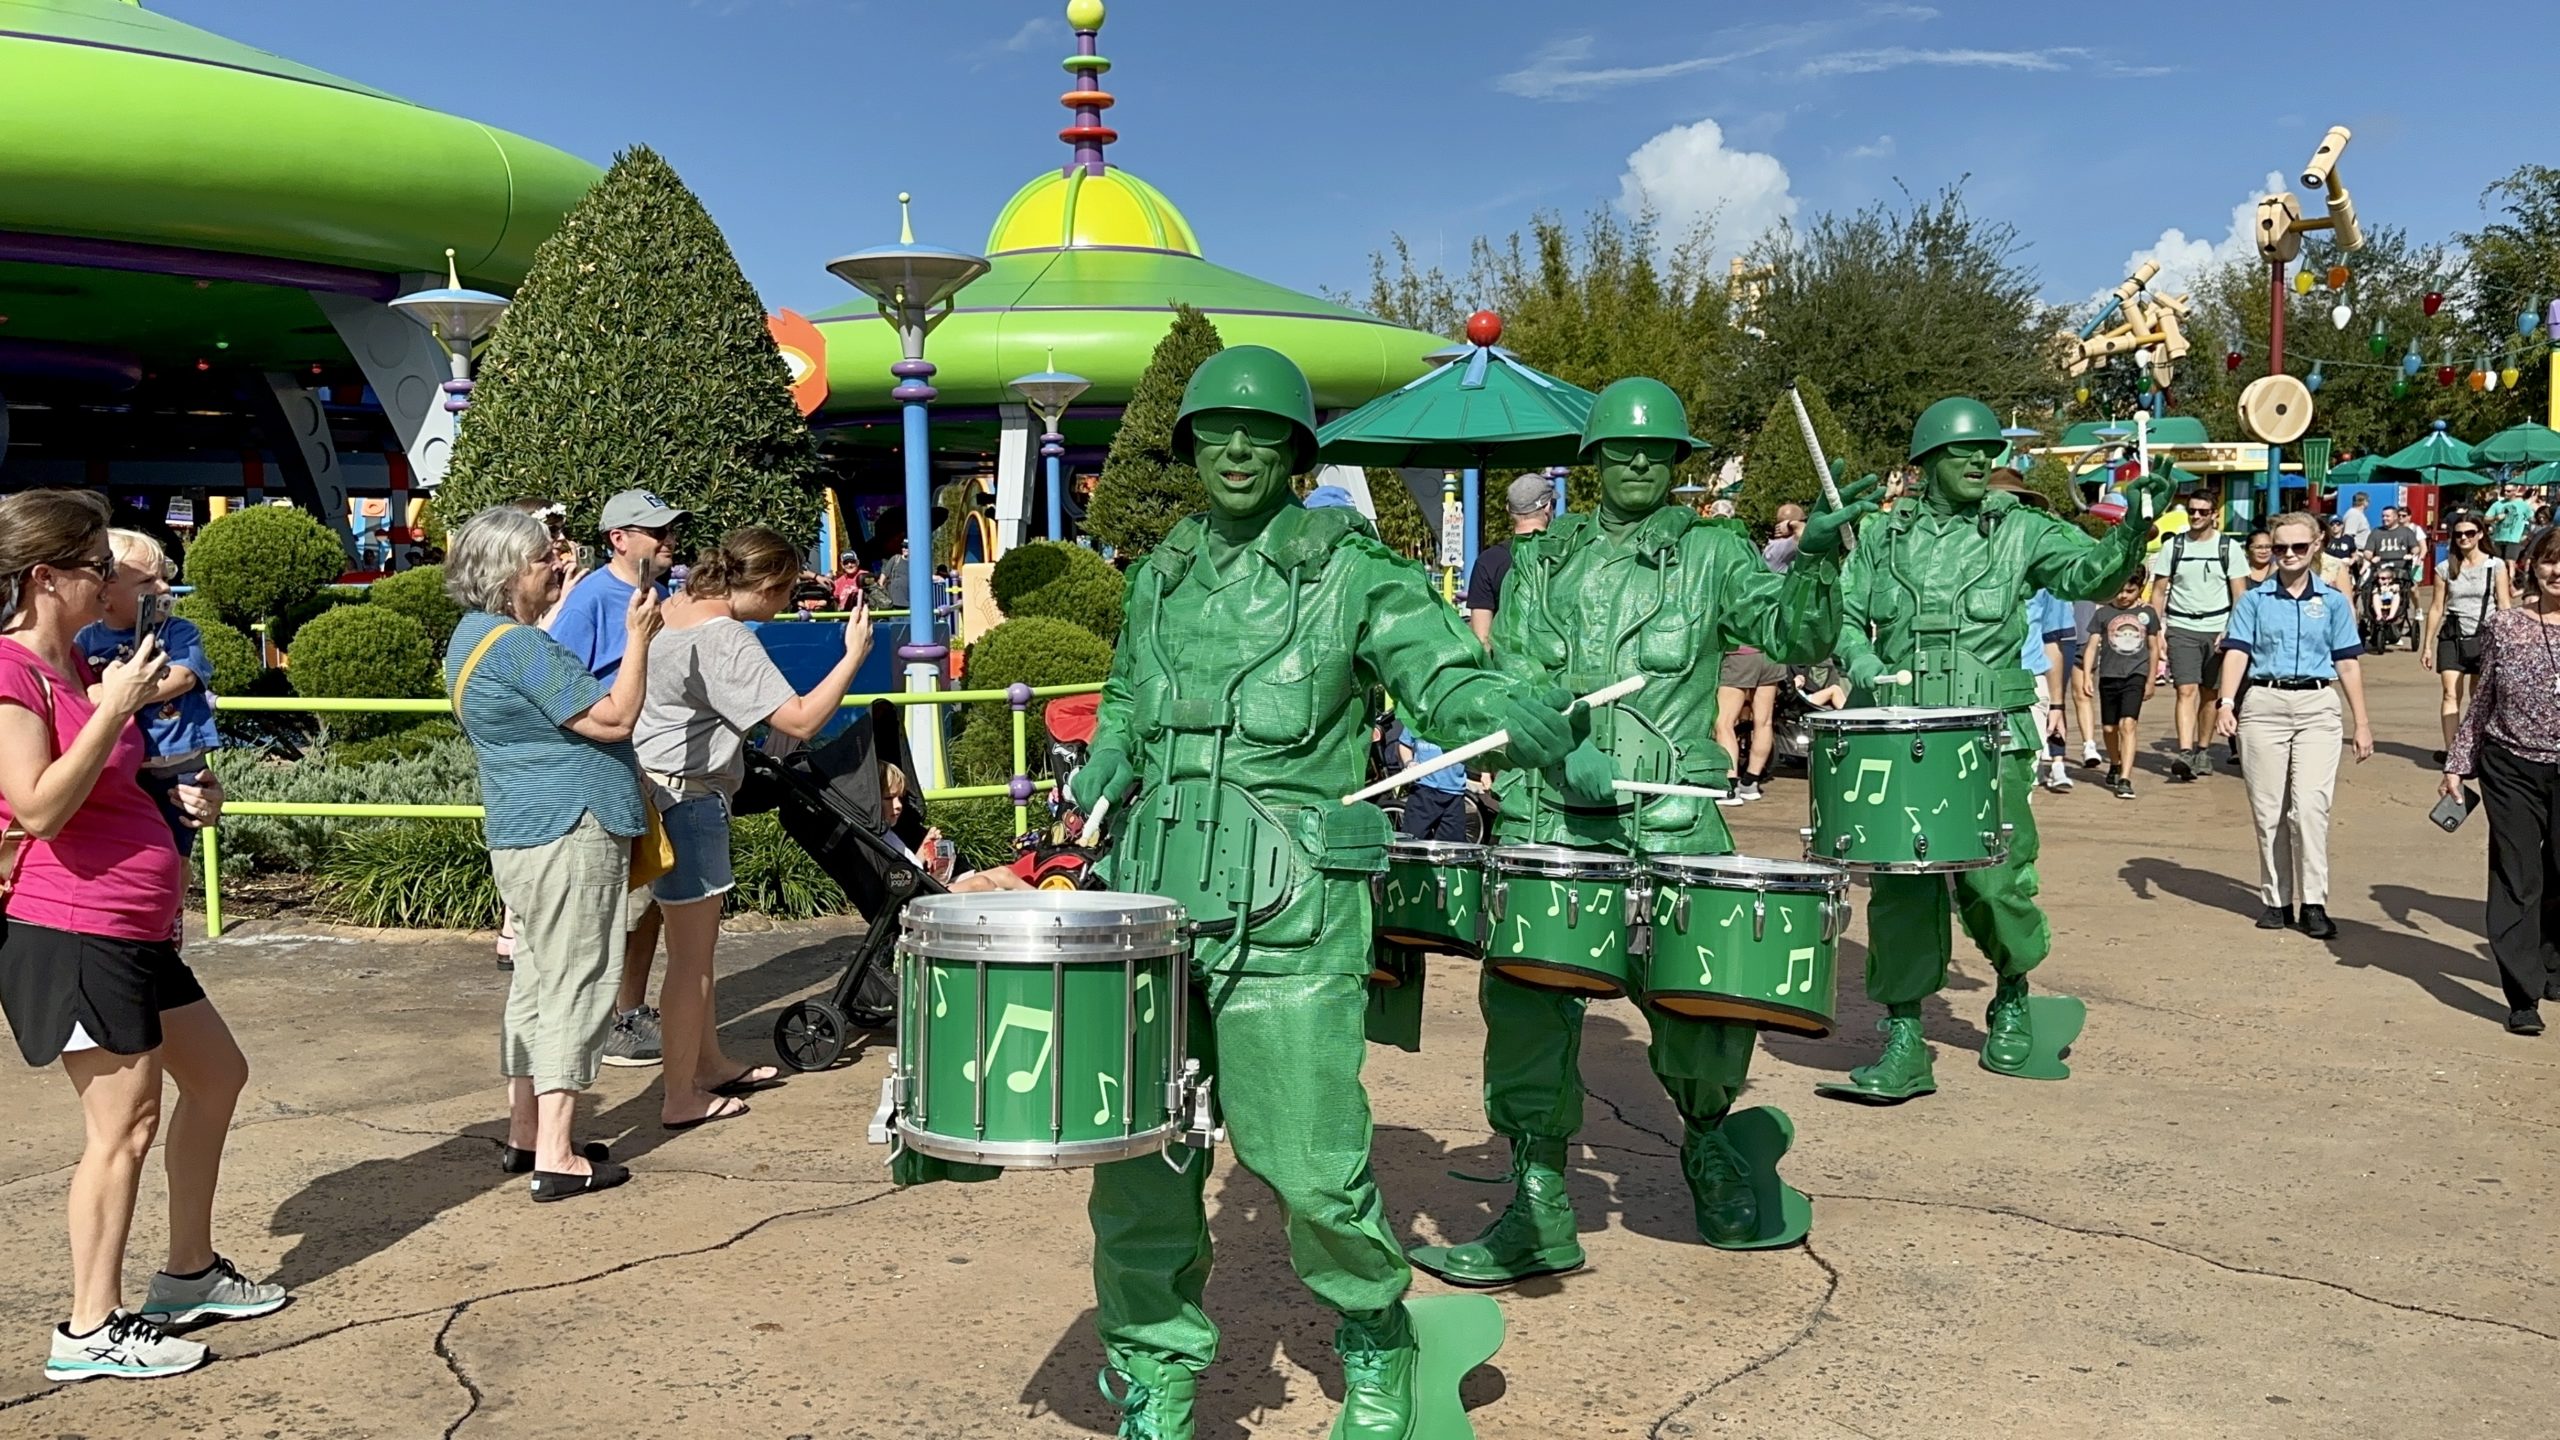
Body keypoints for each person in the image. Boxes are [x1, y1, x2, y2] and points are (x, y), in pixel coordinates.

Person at [1065, 346, 1588, 1439]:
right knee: (1137, 1168)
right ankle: (1155, 1371)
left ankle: (1376, 1336)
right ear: (1192, 447)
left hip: (1293, 908)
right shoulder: (1160, 571)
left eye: (1264, 435)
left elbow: (1436, 665)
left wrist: (1506, 701)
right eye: (1218, 433)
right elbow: (1126, 694)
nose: (1239, 451)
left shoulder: (1355, 569)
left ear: (1299, 453)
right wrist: (1111, 752)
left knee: (1307, 1165)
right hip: (1151, 905)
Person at [1417, 376, 1873, 1286]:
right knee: (1525, 1005)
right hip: (1555, 815)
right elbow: (1516, 674)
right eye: (1618, 448)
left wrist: (1818, 560)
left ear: (1675, 463)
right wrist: (1552, 747)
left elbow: (1789, 632)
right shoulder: (1542, 561)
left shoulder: (1714, 553)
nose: (1634, 460)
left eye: (1652, 449)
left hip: (1671, 813)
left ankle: (1710, 1143)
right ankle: (1540, 1201)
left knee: (1703, 1007)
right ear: (1590, 462)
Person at [0, 489, 283, 1383]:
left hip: (133, 925)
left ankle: (187, 1273)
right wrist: (119, 707)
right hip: (73, 927)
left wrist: (188, 796)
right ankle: (89, 1327)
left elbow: (114, 788)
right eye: (96, 570)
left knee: (218, 1076)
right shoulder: (12, 673)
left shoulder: (81, 668)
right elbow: (39, 805)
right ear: (45, 578)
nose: (110, 585)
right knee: (121, 1128)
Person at [1827, 398, 2166, 1100]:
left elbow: (2090, 577)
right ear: (1924, 464)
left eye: (1988, 450)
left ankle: (2013, 986)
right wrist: (1858, 662)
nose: (1982, 461)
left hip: (1989, 735)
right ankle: (1904, 1035)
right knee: (1900, 889)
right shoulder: (1880, 539)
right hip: (1895, 733)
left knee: (1995, 882)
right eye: (1964, 451)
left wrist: (2135, 527)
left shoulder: (2021, 530)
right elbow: (1845, 617)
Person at [443, 505, 659, 1201]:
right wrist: (638, 639)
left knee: (536, 982)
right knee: (579, 982)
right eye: (544, 559)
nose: (557, 566)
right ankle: (559, 1154)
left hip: (522, 832)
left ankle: (526, 1132)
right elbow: (615, 718)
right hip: (572, 829)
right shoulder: (519, 647)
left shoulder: (471, 641)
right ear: (510, 572)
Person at [635, 528, 871, 1130]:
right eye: (787, 591)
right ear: (764, 583)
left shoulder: (673, 610)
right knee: (693, 962)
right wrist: (852, 656)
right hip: (691, 798)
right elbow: (800, 718)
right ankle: (680, 1095)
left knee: (694, 953)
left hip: (659, 788)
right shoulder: (725, 638)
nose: (788, 603)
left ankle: (707, 1064)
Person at [546, 489, 688, 1069]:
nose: (668, 539)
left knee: (650, 898)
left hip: (646, 764)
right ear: (619, 538)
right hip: (612, 768)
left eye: (671, 529)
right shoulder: (592, 600)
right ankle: (610, 1022)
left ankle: (626, 1011)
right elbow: (555, 686)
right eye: (656, 531)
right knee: (624, 906)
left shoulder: (659, 593)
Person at [2214, 512, 2375, 941]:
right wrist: (2226, 702)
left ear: (2317, 545)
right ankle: (2276, 900)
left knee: (2309, 808)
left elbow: (2347, 662)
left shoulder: (2335, 601)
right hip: (2264, 703)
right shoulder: (2253, 599)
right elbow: (2237, 653)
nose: (2288, 555)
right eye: (2281, 547)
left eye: (2298, 547)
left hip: (2318, 705)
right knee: (2268, 810)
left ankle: (2315, 902)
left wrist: (2361, 722)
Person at [2442, 525, 2560, 1034]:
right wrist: (2457, 762)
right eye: (2550, 561)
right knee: (2518, 875)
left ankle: (2552, 963)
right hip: (2509, 764)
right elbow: (2483, 696)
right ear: (2531, 566)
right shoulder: (2505, 625)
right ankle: (2521, 994)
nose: (2557, 571)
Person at [78, 531, 219, 854]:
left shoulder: (178, 631)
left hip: (177, 759)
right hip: (122, 762)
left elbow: (183, 677)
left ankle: (178, 899)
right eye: (146, 582)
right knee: (131, 843)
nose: (164, 588)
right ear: (105, 595)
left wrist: (119, 693)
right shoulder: (86, 640)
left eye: (163, 576)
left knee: (178, 842)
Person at [2146, 491, 2247, 782]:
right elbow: (2159, 591)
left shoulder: (2228, 547)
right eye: (2192, 511)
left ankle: (2203, 748)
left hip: (2217, 627)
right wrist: (2159, 628)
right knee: (2185, 690)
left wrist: (2231, 629)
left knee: (2210, 693)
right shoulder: (2174, 547)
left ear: (2214, 514)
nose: (2196, 517)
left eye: (2203, 512)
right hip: (2181, 626)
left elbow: (2239, 593)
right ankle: (2186, 751)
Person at [2421, 511, 2514, 759]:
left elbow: (2504, 604)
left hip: (2486, 636)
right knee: (2451, 693)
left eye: (2469, 533)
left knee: (2480, 696)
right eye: (2459, 534)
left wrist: (2510, 640)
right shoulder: (2445, 568)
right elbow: (2437, 607)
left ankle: (2477, 747)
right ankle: (2454, 752)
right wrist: (2427, 645)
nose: (2463, 538)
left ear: (2480, 534)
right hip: (2453, 635)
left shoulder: (2495, 566)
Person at [2081, 574, 2163, 799]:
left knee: (2128, 725)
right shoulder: (2103, 614)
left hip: (2135, 674)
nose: (2124, 596)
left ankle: (2125, 778)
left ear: (2139, 589)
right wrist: (2088, 675)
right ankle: (2115, 763)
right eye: (2120, 591)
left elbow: (2153, 647)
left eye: (2130, 591)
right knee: (2109, 729)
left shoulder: (2147, 614)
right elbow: (2091, 647)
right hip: (2108, 675)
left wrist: (2151, 679)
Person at [1466, 474, 1556, 647]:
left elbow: (1482, 637)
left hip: (1507, 666)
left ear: (1508, 509)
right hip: (1558, 665)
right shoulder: (1565, 553)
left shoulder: (1488, 561)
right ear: (1547, 507)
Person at [1714, 638, 1785, 804]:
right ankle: (1750, 782)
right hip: (1772, 653)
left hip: (1740, 654)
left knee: (1724, 723)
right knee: (1764, 722)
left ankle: (1730, 787)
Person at [1390, 720, 1471, 839]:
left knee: (1452, 848)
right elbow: (1405, 744)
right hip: (1423, 791)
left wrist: (1485, 773)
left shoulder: (1461, 721)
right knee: (1413, 842)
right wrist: (1409, 762)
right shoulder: (1417, 719)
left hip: (1455, 794)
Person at [2487, 485, 2535, 565]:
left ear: (2515, 492)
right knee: (2498, 564)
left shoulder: (2523, 505)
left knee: (2510, 563)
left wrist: (2526, 533)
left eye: (2508, 491)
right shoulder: (2497, 504)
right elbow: (2485, 519)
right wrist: (2496, 518)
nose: (2505, 493)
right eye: (2504, 491)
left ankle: (2510, 577)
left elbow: (2532, 519)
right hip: (2499, 539)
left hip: (2514, 540)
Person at [1763, 501, 1807, 573]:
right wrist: (1790, 524)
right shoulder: (1780, 547)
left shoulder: (1776, 546)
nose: (1804, 523)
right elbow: (1805, 533)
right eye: (1802, 521)